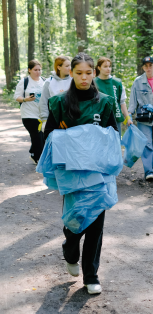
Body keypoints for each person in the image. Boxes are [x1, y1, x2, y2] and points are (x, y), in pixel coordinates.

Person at [44, 53, 118, 295]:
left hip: (98, 174)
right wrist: (62, 134)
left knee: (96, 223)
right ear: (71, 73)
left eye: (88, 73)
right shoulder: (59, 103)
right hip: (72, 176)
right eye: (79, 73)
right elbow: (49, 139)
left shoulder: (106, 102)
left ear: (94, 73)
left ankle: (91, 276)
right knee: (75, 220)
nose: (84, 77)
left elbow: (113, 137)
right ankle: (70, 249)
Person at [14, 60, 45, 164]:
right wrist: (25, 99)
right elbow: (16, 97)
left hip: (42, 114)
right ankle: (38, 159)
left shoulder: (44, 81)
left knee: (42, 136)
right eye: (35, 70)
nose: (38, 72)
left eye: (39, 69)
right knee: (37, 136)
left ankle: (33, 152)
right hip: (29, 115)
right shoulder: (24, 81)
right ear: (29, 70)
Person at [94, 57, 133, 137]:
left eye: (109, 66)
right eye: (105, 66)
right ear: (99, 67)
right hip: (99, 118)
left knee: (116, 142)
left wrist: (128, 118)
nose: (108, 69)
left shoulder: (117, 82)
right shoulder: (93, 82)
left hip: (116, 117)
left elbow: (122, 102)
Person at [39, 56, 72, 131]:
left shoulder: (74, 81)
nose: (70, 68)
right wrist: (44, 120)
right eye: (67, 66)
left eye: (70, 65)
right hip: (54, 118)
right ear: (59, 67)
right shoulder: (49, 82)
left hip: (71, 118)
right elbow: (43, 102)